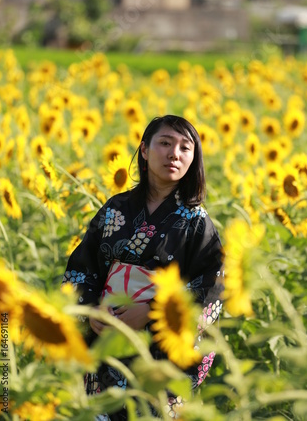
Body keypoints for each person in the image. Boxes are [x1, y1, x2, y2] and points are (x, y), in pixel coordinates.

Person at [62, 115, 224, 420]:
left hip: (158, 353)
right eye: (164, 143)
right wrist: (92, 310)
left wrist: (152, 312)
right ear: (145, 150)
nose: (174, 153)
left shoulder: (197, 223)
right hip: (107, 342)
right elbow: (82, 270)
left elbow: (210, 288)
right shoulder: (114, 208)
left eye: (185, 148)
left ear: (194, 158)